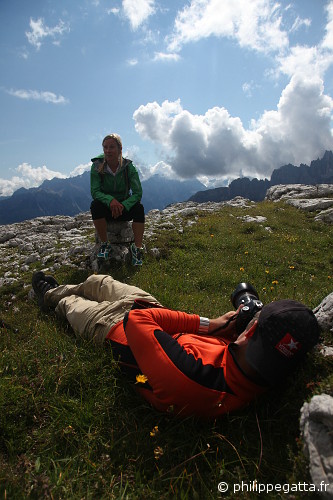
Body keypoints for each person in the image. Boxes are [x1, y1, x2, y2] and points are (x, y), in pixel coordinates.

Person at [32, 271, 320, 419]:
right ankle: (61, 289)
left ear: (251, 330)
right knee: (99, 281)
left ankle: (48, 296)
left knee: (73, 304)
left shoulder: (194, 380)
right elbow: (242, 351)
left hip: (115, 329)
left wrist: (212, 324)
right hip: (154, 317)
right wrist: (235, 328)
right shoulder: (260, 370)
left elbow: (137, 320)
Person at [90, 133, 145, 266]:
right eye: (105, 147)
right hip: (107, 208)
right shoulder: (97, 166)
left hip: (123, 209)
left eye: (112, 147)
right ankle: (105, 244)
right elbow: (95, 192)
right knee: (95, 206)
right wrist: (110, 201)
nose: (108, 151)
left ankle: (137, 248)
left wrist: (123, 205)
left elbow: (138, 193)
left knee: (139, 208)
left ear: (120, 149)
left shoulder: (129, 168)